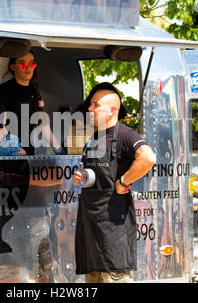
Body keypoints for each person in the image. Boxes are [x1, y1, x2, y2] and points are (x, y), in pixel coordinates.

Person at [72, 82, 156, 283]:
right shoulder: (93, 139)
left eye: (95, 105)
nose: (90, 109)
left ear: (111, 111)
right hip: (91, 233)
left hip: (113, 235)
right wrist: (81, 177)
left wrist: (123, 182)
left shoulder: (126, 135)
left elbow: (148, 157)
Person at [0, 51, 62, 155]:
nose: (28, 68)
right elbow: (0, 126)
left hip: (29, 153)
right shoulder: (3, 91)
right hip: (8, 154)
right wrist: (13, 147)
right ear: (12, 67)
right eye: (22, 64)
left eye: (31, 64)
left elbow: (42, 125)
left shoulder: (34, 91)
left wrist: (58, 149)